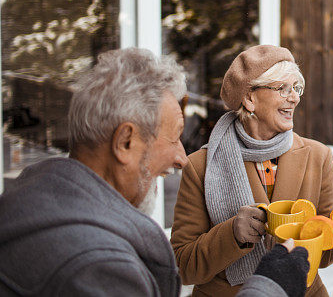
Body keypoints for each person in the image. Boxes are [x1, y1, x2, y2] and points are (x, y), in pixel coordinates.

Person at [0, 48, 309, 297]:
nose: (181, 159)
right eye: (174, 137)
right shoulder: (101, 267)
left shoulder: (25, 205)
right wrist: (269, 289)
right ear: (125, 142)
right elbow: (185, 260)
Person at [171, 45, 333, 297]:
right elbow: (183, 266)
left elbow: (327, 255)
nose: (294, 97)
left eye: (297, 88)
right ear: (249, 98)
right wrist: (231, 235)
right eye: (282, 88)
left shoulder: (318, 156)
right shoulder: (200, 166)